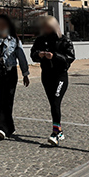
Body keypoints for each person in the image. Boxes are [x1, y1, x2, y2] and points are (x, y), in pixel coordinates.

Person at [30, 15, 75, 146]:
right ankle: (59, 130)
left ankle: (54, 133)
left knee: (56, 102)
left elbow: (70, 58)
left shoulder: (64, 40)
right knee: (53, 104)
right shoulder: (40, 39)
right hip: (46, 75)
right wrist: (38, 55)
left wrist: (54, 56)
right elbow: (33, 54)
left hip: (60, 76)